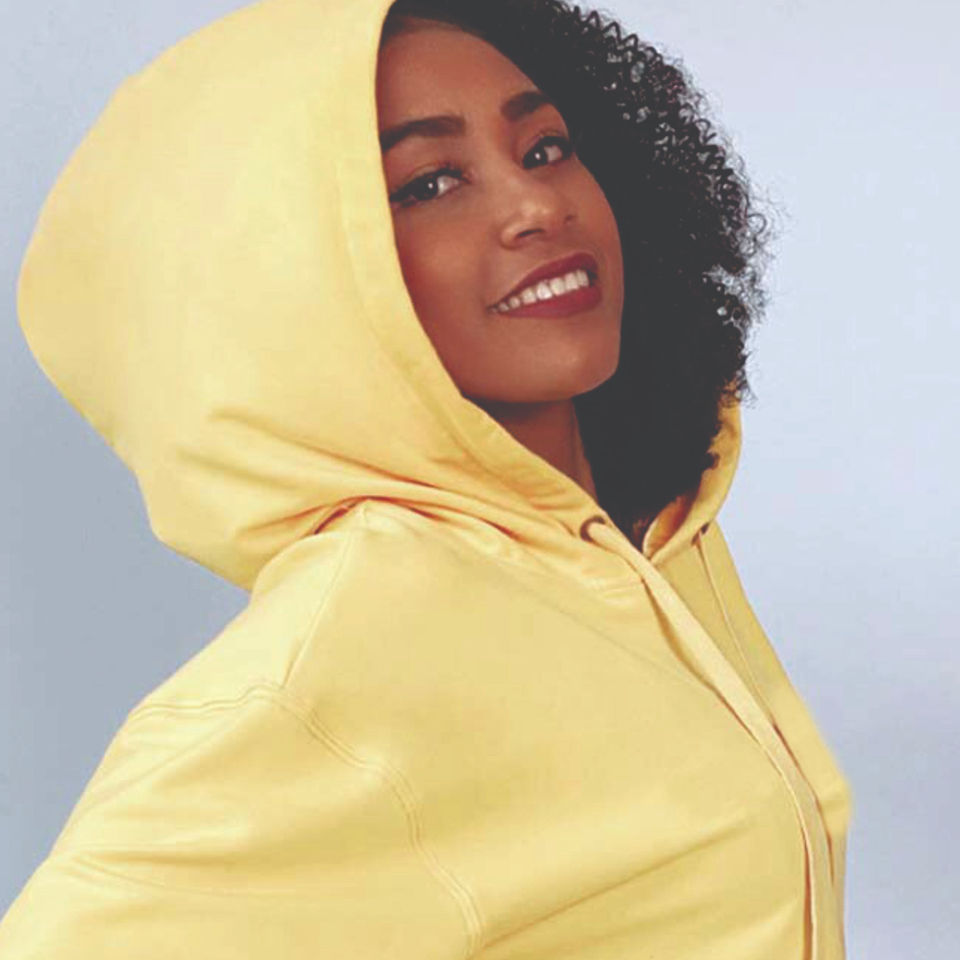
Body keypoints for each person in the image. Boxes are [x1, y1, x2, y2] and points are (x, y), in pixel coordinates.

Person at [1, 0, 853, 957]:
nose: (539, 205)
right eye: (430, 183)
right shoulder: (342, 656)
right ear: (297, 277)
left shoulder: (648, 547)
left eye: (544, 148)